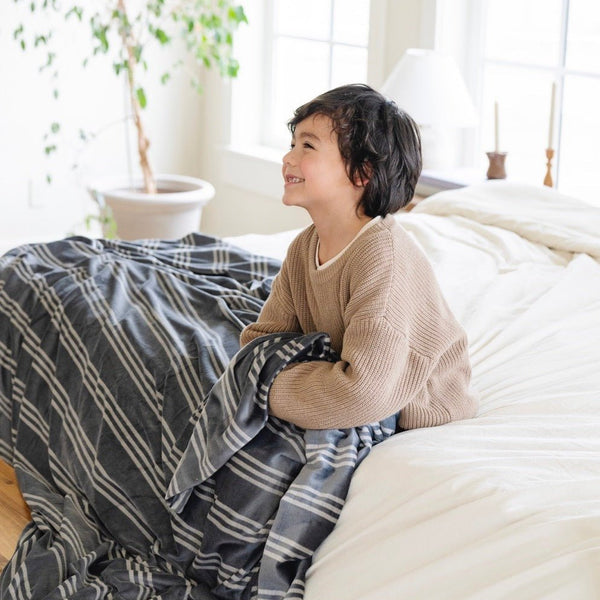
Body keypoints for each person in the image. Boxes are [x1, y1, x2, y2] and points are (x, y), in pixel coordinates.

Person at [240, 83, 478, 430]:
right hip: (354, 376)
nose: (288, 158)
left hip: (420, 400)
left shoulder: (382, 260)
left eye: (307, 146)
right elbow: (260, 342)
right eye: (292, 145)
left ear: (362, 172)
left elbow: (361, 394)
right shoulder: (305, 246)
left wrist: (262, 387)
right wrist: (259, 373)